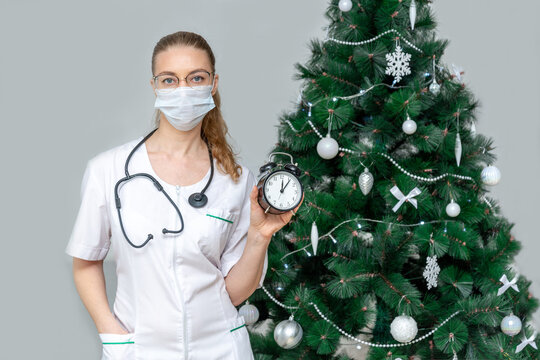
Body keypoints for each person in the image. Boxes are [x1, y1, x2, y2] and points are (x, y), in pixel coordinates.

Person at [65, 30, 303, 360]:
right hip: (139, 349)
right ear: (154, 87)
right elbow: (86, 260)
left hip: (220, 348)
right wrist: (112, 333)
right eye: (169, 80)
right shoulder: (108, 170)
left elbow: (234, 291)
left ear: (213, 84)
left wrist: (260, 236)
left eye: (196, 78)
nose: (183, 91)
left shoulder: (235, 180)